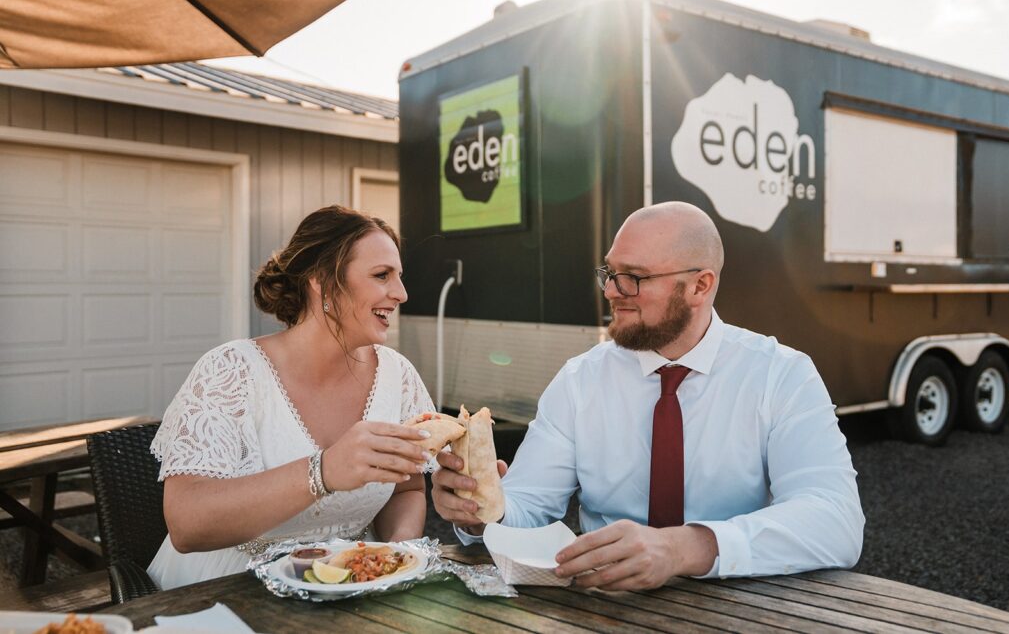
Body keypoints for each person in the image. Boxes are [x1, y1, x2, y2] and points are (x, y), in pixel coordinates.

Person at [432, 201, 864, 590]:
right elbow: (529, 504)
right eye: (610, 272)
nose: (610, 291)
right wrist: (485, 510)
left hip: (738, 601)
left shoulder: (780, 374)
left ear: (700, 286)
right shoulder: (580, 380)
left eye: (633, 278)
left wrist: (682, 549)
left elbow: (836, 521)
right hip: (606, 605)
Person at [148, 205, 436, 589]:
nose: (400, 293)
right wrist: (323, 472)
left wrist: (397, 555)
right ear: (321, 281)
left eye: (399, 277)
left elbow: (408, 487)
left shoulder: (398, 376)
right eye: (381, 275)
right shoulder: (230, 370)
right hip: (220, 591)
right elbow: (187, 524)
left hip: (340, 592)